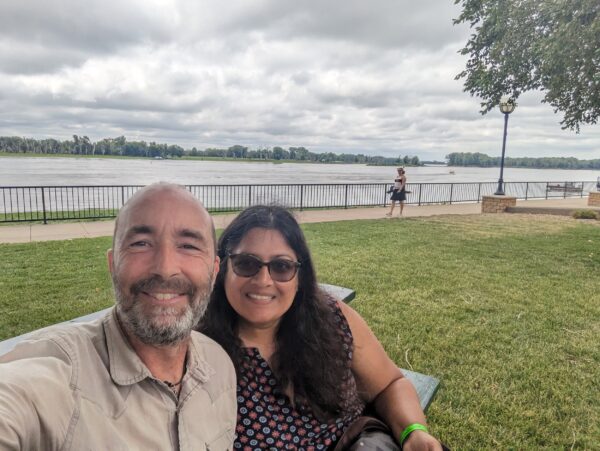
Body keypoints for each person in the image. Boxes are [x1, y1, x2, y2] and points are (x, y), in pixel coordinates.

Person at [0, 182, 237, 450]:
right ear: (113, 265)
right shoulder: (59, 374)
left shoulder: (220, 367)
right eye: (141, 243)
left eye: (188, 245)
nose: (165, 268)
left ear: (214, 270)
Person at [199, 205, 442, 450]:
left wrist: (414, 432)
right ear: (222, 269)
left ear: (300, 276)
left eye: (282, 266)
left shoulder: (332, 317)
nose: (263, 281)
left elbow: (389, 384)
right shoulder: (196, 347)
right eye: (246, 263)